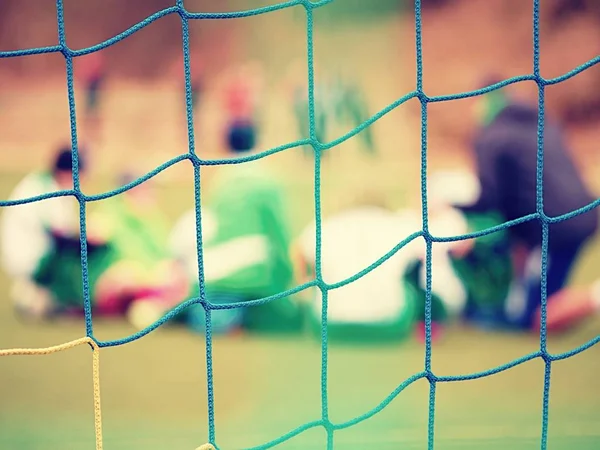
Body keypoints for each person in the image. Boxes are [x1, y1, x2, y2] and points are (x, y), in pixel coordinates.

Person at [461, 79, 598, 331]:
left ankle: (527, 309)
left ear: (481, 101)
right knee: (543, 298)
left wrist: (455, 207)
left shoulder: (491, 136)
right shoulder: (543, 124)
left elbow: (490, 198)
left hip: (554, 227)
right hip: (586, 216)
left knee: (534, 318)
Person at [291, 176, 472, 345]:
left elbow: (298, 251)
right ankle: (427, 325)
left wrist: (309, 281)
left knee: (316, 285)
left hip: (328, 326)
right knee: (415, 280)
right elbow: (454, 247)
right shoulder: (402, 224)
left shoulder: (325, 225)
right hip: (390, 324)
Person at [167, 113, 303, 335]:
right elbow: (279, 236)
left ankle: (197, 311)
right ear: (258, 143)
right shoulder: (267, 181)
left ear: (225, 144)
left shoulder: (220, 181)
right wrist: (288, 276)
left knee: (214, 314)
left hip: (216, 273)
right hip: (255, 275)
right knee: (286, 318)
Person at [0, 146, 84, 319]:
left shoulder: (41, 181)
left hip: (24, 252)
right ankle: (42, 295)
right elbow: (62, 232)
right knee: (78, 249)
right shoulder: (47, 188)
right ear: (69, 172)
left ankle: (37, 293)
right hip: (30, 255)